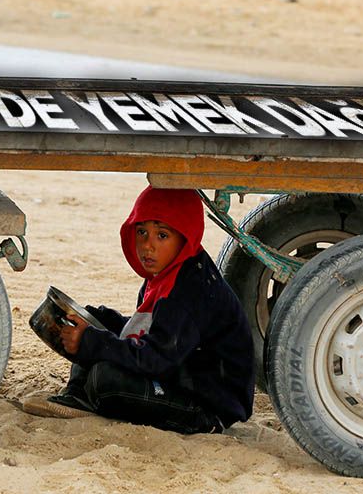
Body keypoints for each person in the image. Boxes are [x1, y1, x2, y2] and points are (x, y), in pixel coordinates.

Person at [23, 186, 255, 434]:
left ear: (186, 237)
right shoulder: (167, 272)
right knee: (92, 331)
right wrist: (100, 321)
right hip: (175, 372)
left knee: (105, 375)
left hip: (206, 404)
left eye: (162, 236)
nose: (147, 246)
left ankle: (89, 395)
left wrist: (93, 340)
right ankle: (77, 395)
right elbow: (153, 332)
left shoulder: (191, 290)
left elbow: (156, 360)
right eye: (142, 232)